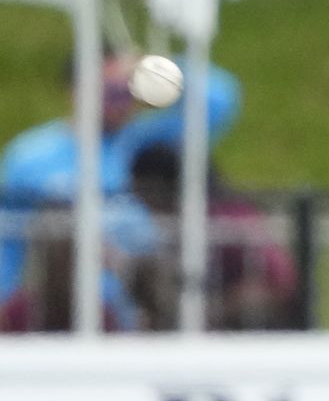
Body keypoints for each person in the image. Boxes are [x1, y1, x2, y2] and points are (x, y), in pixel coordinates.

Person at [0, 54, 241, 304]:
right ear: (75, 90)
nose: (119, 101)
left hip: (146, 302)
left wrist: (155, 67)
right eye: (109, 90)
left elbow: (218, 101)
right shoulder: (31, 157)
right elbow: (8, 241)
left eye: (127, 91)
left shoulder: (145, 141)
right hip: (65, 307)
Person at [127, 145, 297, 331]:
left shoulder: (227, 221)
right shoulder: (181, 223)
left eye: (141, 192)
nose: (141, 202)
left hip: (257, 318)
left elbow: (275, 284)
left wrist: (208, 313)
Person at [0, 206, 128, 333]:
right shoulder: (16, 310)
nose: (58, 260)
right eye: (53, 252)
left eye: (63, 253)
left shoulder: (97, 314)